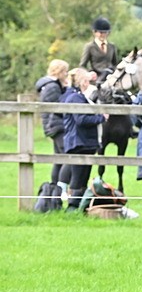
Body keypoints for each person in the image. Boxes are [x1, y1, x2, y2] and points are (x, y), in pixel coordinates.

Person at [60, 69, 108, 210]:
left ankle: (78, 207)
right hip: (79, 141)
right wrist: (101, 118)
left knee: (83, 176)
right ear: (82, 82)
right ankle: (72, 207)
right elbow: (81, 119)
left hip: (83, 141)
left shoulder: (77, 96)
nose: (88, 83)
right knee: (78, 176)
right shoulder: (75, 98)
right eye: (86, 80)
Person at [35, 59, 70, 186]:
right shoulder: (53, 87)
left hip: (53, 125)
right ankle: (61, 187)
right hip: (56, 125)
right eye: (65, 71)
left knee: (59, 158)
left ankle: (54, 188)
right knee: (68, 157)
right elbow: (58, 107)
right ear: (59, 72)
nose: (66, 74)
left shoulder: (51, 85)